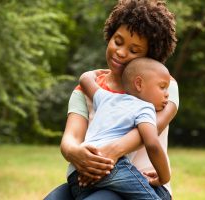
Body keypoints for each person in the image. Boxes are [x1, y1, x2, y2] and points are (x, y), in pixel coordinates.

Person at [44, 0, 178, 199]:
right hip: (87, 177)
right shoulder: (87, 89)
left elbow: (150, 131)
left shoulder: (162, 87)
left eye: (134, 50)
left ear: (149, 56)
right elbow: (71, 138)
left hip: (143, 182)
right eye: (118, 41)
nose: (121, 52)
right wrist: (76, 153)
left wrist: (109, 153)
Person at [67, 57, 171, 200]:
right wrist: (164, 178)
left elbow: (85, 80)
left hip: (77, 171)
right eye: (162, 87)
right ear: (139, 84)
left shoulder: (106, 98)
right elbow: (152, 144)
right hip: (110, 168)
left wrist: (96, 73)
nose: (167, 93)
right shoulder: (145, 108)